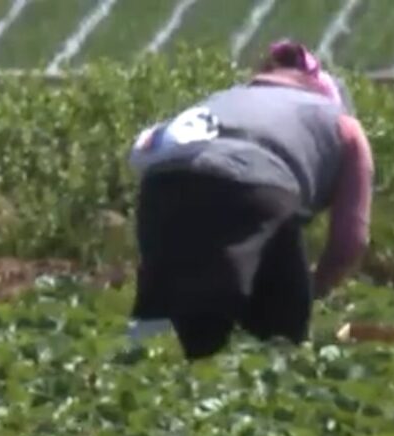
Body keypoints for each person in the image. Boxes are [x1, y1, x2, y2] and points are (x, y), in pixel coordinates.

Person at [126, 40, 373, 359]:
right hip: (256, 189)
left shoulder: (227, 99)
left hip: (161, 187)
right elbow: (349, 242)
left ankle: (142, 366)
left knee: (164, 308)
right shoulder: (343, 124)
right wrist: (319, 286)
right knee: (279, 330)